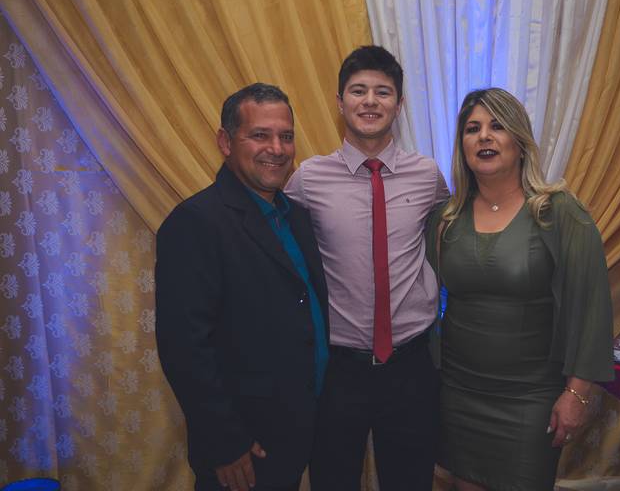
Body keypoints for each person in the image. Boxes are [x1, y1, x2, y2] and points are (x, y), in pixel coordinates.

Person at [425, 88, 614, 491]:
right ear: (462, 146)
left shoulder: (558, 212)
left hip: (531, 398)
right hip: (458, 393)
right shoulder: (444, 219)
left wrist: (577, 394)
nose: (484, 136)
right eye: (472, 129)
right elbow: (420, 299)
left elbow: (592, 308)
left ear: (520, 140)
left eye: (497, 126)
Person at [284, 45, 450, 490]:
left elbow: (448, 236)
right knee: (332, 480)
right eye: (358, 91)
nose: (370, 101)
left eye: (383, 91)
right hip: (339, 368)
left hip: (411, 364)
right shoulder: (309, 178)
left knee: (410, 481)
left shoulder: (427, 175)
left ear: (399, 104)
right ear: (340, 103)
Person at [156, 83, 328, 491]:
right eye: (260, 135)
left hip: (296, 431)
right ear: (225, 142)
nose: (277, 148)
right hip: (244, 449)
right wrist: (225, 442)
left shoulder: (297, 216)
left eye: (286, 136)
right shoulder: (195, 222)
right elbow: (184, 347)